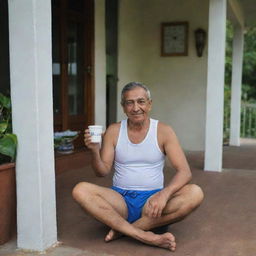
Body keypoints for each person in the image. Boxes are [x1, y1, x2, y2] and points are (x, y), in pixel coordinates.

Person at [72, 82, 204, 252]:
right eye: (130, 103)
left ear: (149, 104)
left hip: (153, 203)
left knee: (195, 193)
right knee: (80, 190)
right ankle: (143, 234)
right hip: (120, 201)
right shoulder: (114, 130)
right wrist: (94, 151)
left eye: (141, 101)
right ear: (123, 107)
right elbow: (101, 171)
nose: (136, 108)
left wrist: (164, 195)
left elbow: (185, 172)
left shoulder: (163, 131)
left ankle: (122, 230)